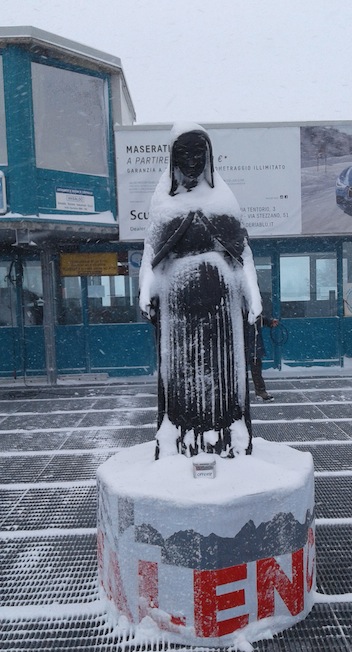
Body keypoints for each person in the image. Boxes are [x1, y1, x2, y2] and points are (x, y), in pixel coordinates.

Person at [139, 122, 262, 459]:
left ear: (209, 157)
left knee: (224, 369)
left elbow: (242, 255)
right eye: (183, 153)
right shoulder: (164, 202)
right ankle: (182, 434)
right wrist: (146, 290)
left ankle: (225, 433)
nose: (191, 160)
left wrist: (252, 293)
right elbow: (151, 254)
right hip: (177, 303)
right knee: (180, 370)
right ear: (172, 158)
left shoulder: (223, 200)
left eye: (198, 153)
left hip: (221, 300)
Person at [247, 315, 278, 401]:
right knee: (255, 370)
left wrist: (269, 321)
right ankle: (260, 392)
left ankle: (260, 392)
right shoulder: (248, 309)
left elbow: (260, 318)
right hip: (251, 345)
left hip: (252, 346)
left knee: (256, 369)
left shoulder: (251, 311)